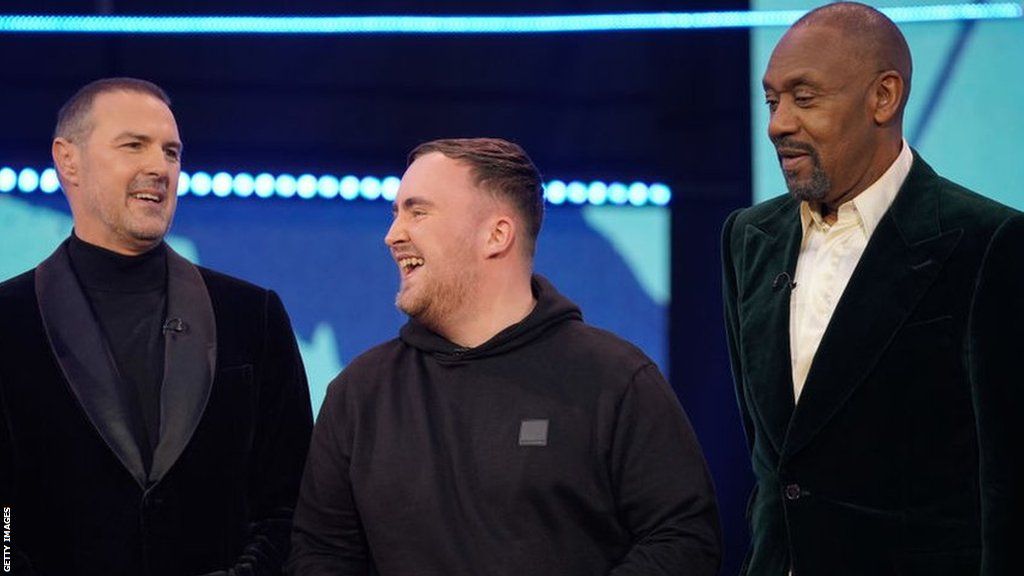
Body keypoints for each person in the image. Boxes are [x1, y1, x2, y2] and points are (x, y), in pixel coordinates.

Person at [288, 137, 721, 575]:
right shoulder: (361, 393)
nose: (393, 235)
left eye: (417, 212)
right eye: (396, 213)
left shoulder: (615, 378)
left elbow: (683, 539)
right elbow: (321, 555)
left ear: (496, 235)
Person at [722, 3, 1023, 575]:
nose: (777, 123)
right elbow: (774, 465)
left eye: (803, 98)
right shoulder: (747, 238)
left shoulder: (989, 243)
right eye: (771, 100)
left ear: (883, 97)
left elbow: (1008, 480)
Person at [0, 77, 313, 575]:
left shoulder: (251, 316)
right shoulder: (9, 320)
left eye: (171, 152)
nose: (159, 168)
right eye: (134, 146)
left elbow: (292, 501)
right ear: (68, 160)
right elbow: (2, 521)